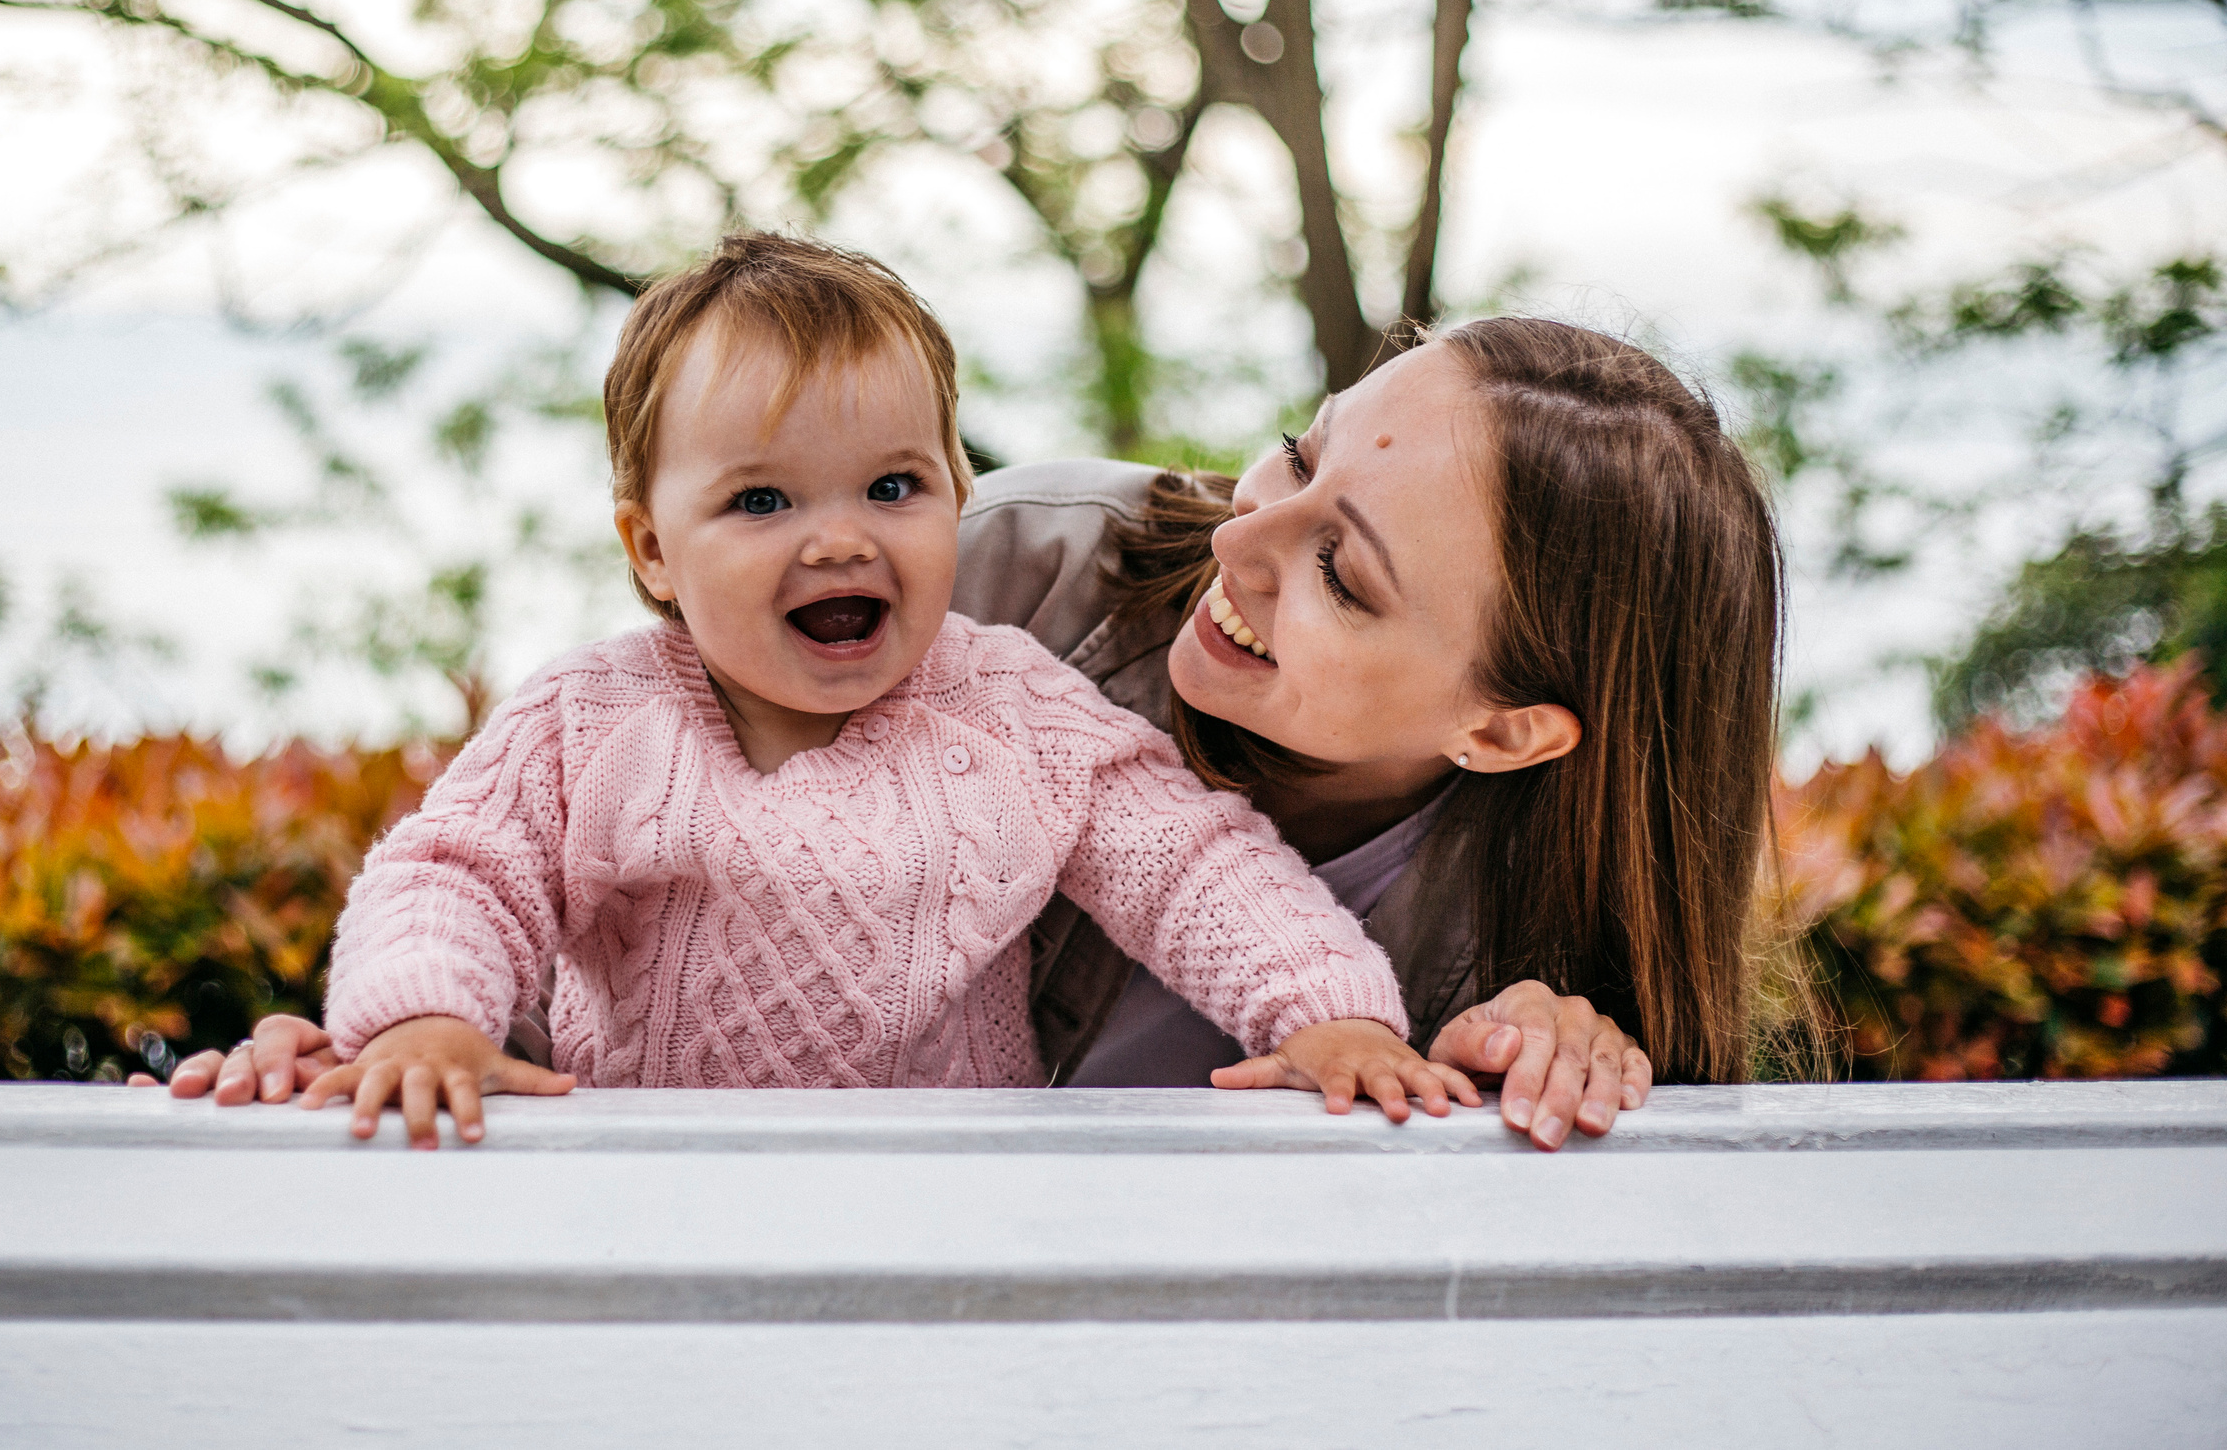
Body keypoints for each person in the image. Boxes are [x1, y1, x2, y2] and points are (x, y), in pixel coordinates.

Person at [159, 295, 1779, 1152]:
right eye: (1297, 453)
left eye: (1341, 575)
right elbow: (521, 863)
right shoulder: (1006, 581)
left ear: (1508, 731)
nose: (1239, 538)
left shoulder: (1532, 921)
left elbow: (1198, 865)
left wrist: (1527, 1060)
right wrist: (414, 1033)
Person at [292, 233, 1473, 1145]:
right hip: (642, 1189)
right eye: (762, 503)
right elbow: (456, 871)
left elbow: (1194, 863)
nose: (840, 540)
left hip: (948, 1205)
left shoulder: (1015, 709)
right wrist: (426, 1019)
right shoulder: (593, 719)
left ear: (960, 490)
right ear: (650, 548)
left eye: (892, 487)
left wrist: (1327, 1014)